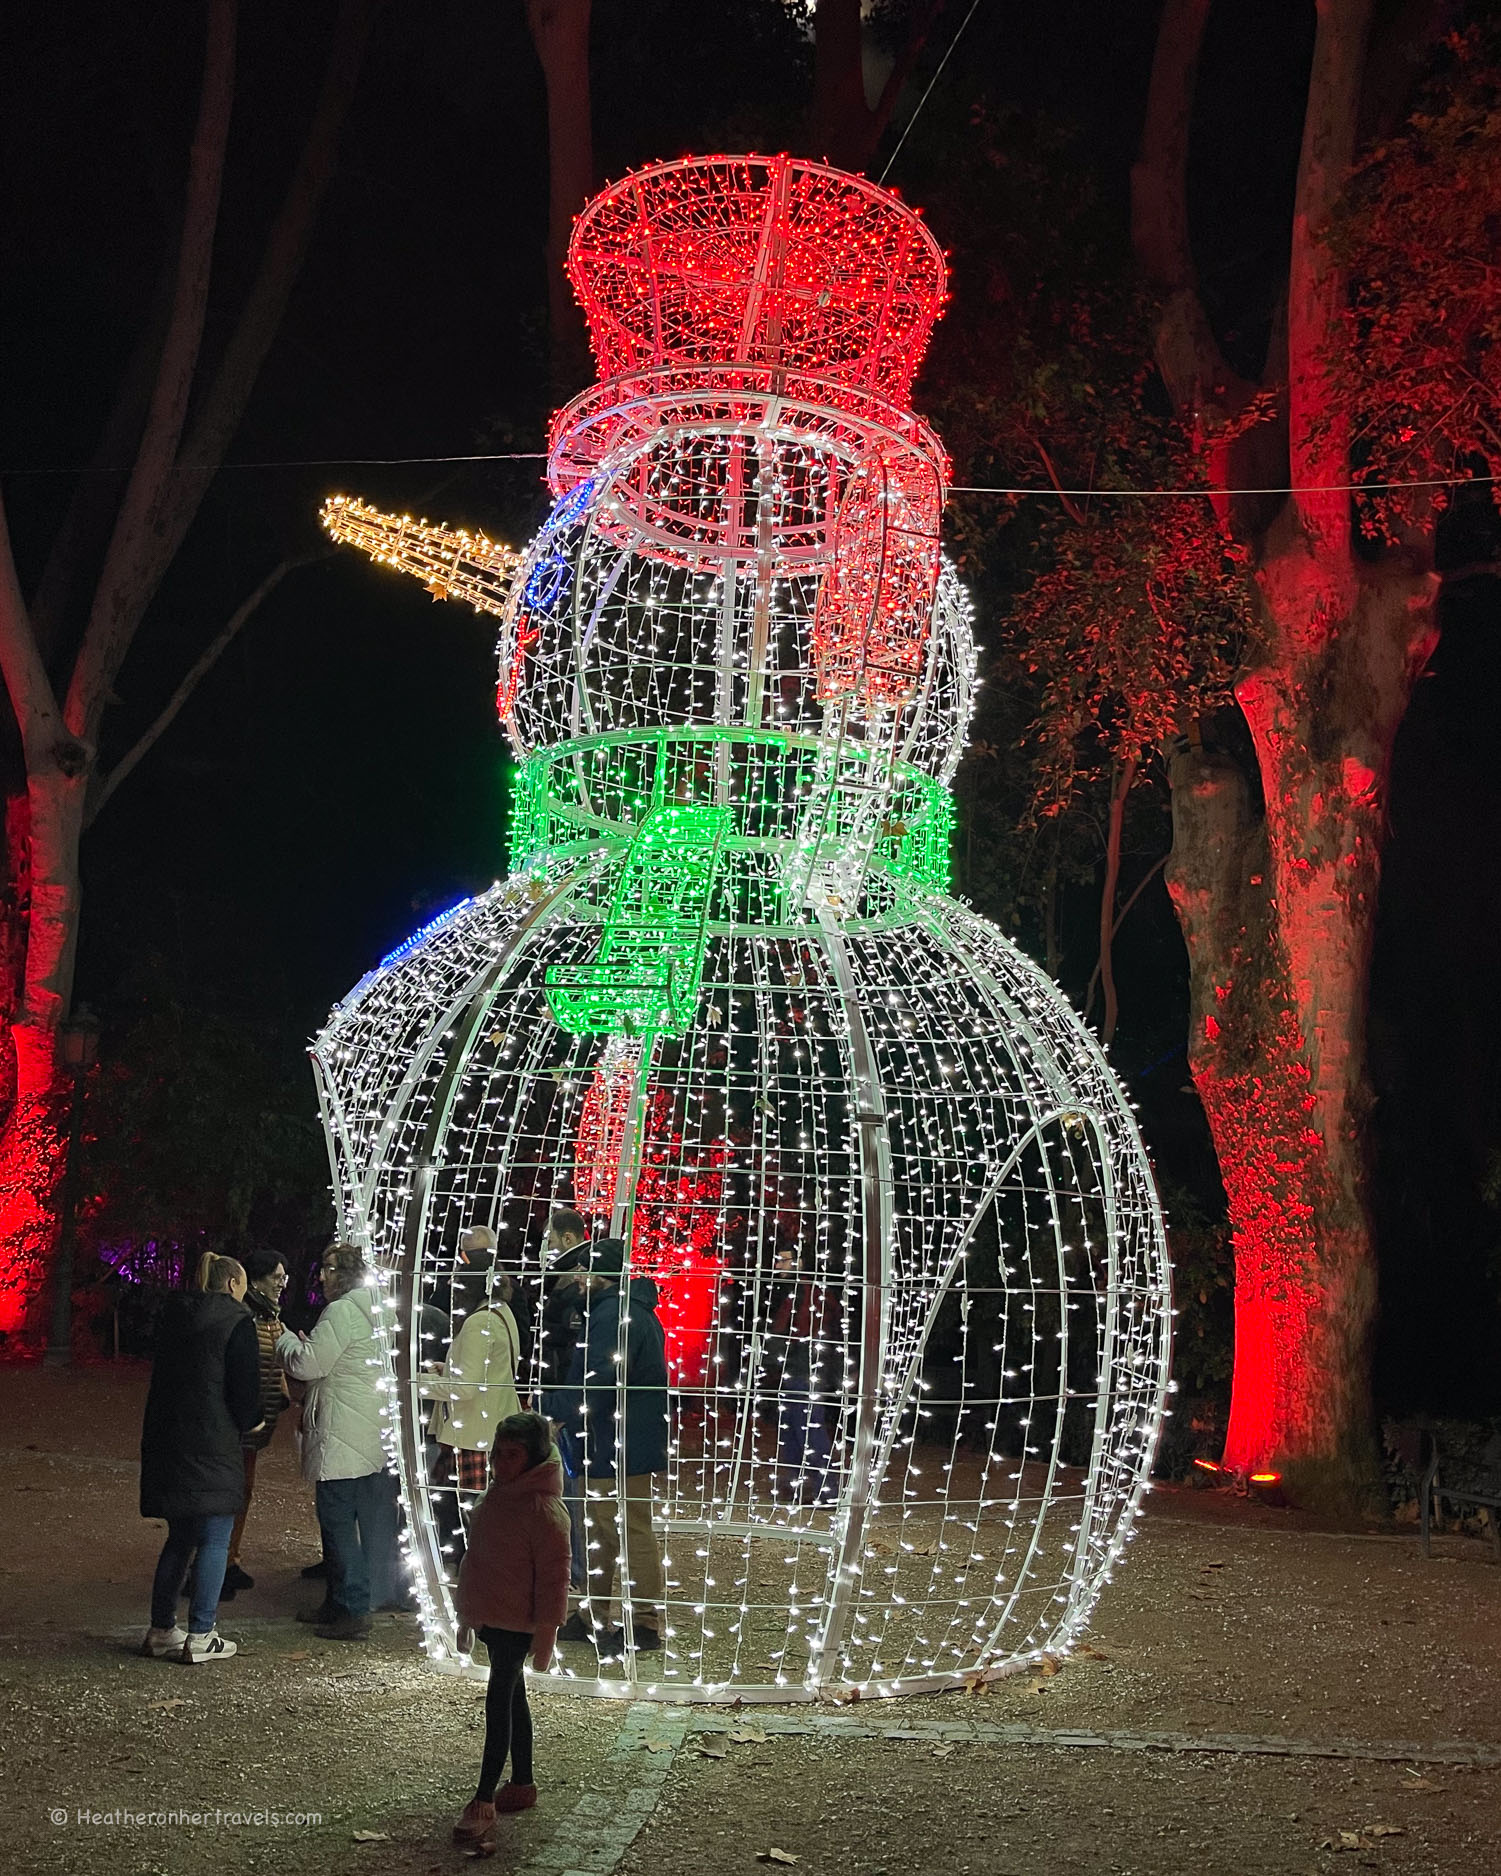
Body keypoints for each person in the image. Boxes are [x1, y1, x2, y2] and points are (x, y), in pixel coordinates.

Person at [451, 1411, 571, 1848]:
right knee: (510, 1693)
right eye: (497, 1454)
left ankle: (484, 1797)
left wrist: (546, 1632)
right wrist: (468, 1613)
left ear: (533, 1458)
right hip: (493, 1617)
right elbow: (477, 1560)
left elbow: (555, 1577)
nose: (501, 1464)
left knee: (499, 1699)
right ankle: (522, 1780)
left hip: (517, 1623)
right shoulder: (499, 1496)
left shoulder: (542, 1510)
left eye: (512, 1456)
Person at [139, 1252, 263, 1664]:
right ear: (232, 1284)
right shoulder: (236, 1321)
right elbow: (244, 1392)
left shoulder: (174, 1319)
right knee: (214, 1539)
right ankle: (202, 1632)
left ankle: (161, 1628)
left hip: (172, 1442)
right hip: (215, 1445)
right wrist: (255, 1422)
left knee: (179, 1538)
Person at [278, 1242, 400, 1641]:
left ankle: (350, 1607)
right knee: (358, 1523)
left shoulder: (342, 1311)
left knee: (337, 1525)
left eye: (327, 1270)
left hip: (340, 1432)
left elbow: (309, 1364)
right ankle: (343, 1601)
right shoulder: (379, 1310)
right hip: (369, 1429)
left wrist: (286, 1342)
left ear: (340, 1273)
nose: (321, 1278)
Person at [555, 1238, 669, 1658]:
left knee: (626, 1529)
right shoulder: (631, 1310)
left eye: (581, 1274)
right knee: (606, 1529)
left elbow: (597, 1381)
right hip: (621, 1438)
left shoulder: (612, 1315)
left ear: (594, 1274)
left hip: (613, 1440)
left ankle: (642, 1622)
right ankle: (594, 1615)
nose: (576, 1282)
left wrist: (557, 1408)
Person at [418, 1226, 522, 1507]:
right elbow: (488, 1371)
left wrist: (417, 1384)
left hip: (474, 1435)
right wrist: (448, 1368)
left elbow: (466, 1388)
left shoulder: (480, 1322)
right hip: (491, 1429)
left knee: (469, 1517)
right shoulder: (501, 1311)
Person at [221, 1248, 290, 1598]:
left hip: (257, 1422)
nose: (281, 1284)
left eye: (283, 1278)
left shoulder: (270, 1316)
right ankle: (218, 1564)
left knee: (244, 1492)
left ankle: (230, 1559)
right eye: (276, 1278)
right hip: (240, 1422)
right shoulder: (245, 1316)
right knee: (231, 1492)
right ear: (256, 1279)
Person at [538, 1208, 590, 1591]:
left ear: (567, 1239)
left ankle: (574, 1570)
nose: (547, 1247)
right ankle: (570, 1567)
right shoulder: (570, 1278)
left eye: (550, 1238)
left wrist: (560, 1408)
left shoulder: (573, 1280)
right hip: (564, 1396)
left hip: (566, 1400)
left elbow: (569, 1351)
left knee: (571, 1487)